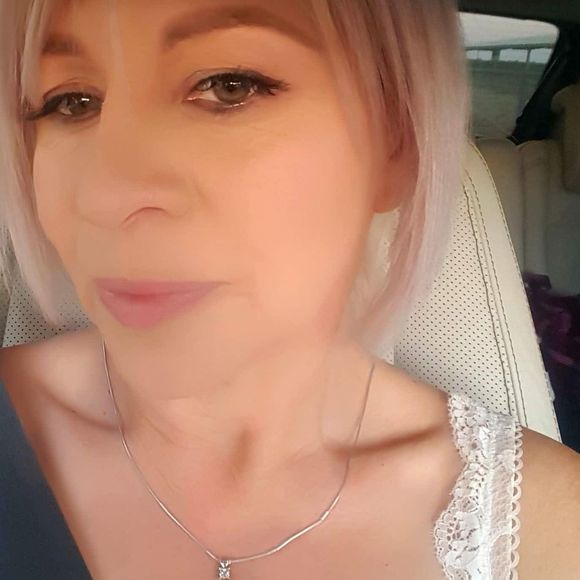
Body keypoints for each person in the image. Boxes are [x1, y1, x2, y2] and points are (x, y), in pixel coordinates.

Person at [0, 0, 578, 578]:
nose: (103, 197)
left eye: (229, 86)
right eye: (70, 102)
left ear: (396, 139)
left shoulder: (548, 532)